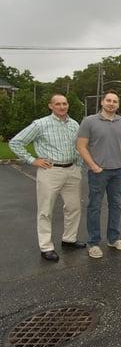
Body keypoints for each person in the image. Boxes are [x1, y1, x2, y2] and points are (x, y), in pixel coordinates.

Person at [9, 94, 85, 261]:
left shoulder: (74, 124)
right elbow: (15, 142)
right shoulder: (40, 124)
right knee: (45, 210)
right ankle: (46, 247)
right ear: (50, 106)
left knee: (74, 208)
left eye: (64, 103)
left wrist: (78, 165)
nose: (62, 107)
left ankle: (69, 239)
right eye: (57, 104)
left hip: (72, 170)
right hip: (50, 171)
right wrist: (32, 160)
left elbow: (78, 146)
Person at [77, 90, 121, 259]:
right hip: (98, 172)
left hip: (117, 172)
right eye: (108, 100)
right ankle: (93, 243)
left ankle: (113, 239)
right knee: (95, 206)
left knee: (116, 205)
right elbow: (81, 146)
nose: (111, 103)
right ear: (102, 102)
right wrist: (93, 166)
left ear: (118, 104)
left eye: (115, 101)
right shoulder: (89, 121)